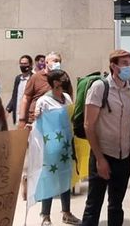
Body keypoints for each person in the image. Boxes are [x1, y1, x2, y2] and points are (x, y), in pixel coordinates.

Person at [81, 50, 130, 226]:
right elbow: (88, 125)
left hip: (123, 156)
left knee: (116, 205)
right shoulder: (100, 87)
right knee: (93, 205)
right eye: (124, 63)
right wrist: (99, 159)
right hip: (103, 154)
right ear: (113, 66)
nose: (128, 67)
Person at [35, 70, 81, 226]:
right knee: (49, 177)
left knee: (65, 177)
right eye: (63, 78)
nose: (66, 80)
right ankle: (45, 215)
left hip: (66, 145)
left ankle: (66, 213)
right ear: (55, 82)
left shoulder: (66, 97)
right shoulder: (43, 101)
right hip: (51, 147)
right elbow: (39, 124)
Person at [20, 53, 62, 128]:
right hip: (37, 120)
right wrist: (22, 119)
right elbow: (26, 98)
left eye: (59, 62)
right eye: (55, 61)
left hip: (55, 121)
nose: (57, 64)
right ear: (46, 62)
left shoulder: (62, 78)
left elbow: (68, 96)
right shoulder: (36, 77)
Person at [7, 55, 34, 125]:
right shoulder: (18, 78)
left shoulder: (34, 78)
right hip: (18, 113)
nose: (23, 66)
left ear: (30, 65)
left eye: (25, 64)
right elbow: (14, 96)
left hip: (29, 115)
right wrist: (8, 109)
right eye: (21, 64)